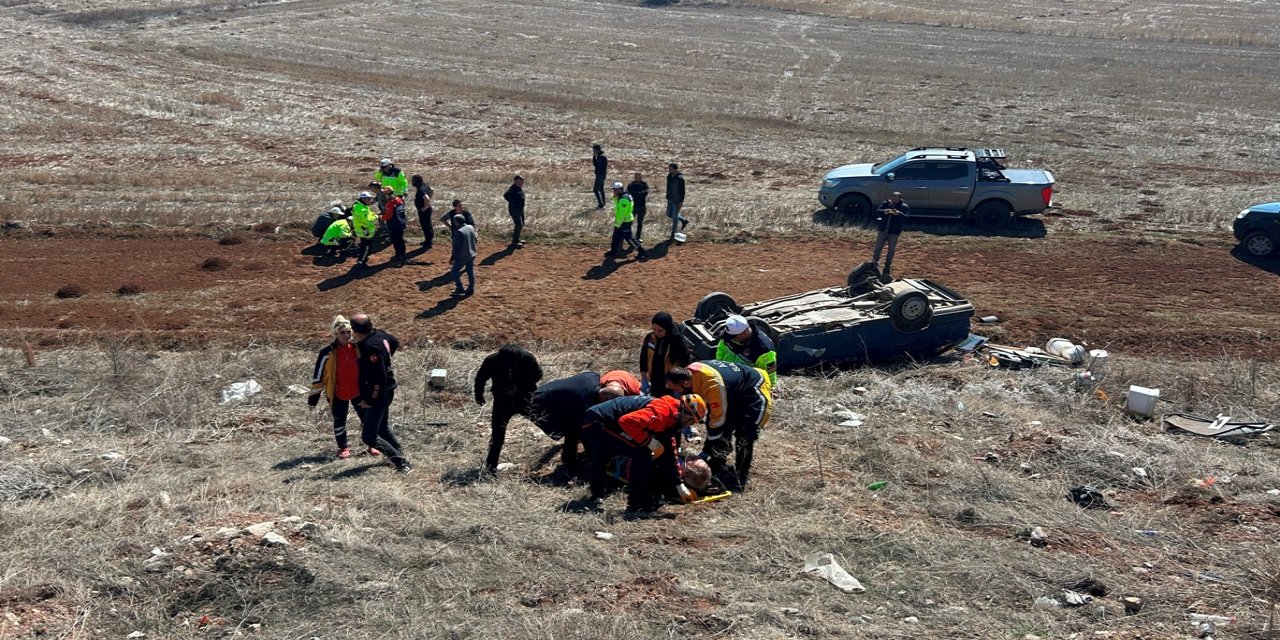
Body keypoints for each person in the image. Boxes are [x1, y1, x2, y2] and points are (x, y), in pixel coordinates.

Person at [581, 393, 707, 513]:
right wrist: (649, 441)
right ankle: (637, 503)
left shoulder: (672, 416)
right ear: (686, 413)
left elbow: (669, 453)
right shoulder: (662, 413)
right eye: (691, 421)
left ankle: (596, 494)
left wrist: (678, 484)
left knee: (603, 455)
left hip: (600, 419)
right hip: (599, 423)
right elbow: (627, 421)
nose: (689, 425)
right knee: (641, 453)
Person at [665, 361, 772, 488]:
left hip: (753, 389)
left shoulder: (713, 385)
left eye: (676, 389)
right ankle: (718, 462)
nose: (676, 392)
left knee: (745, 434)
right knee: (721, 425)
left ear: (686, 383)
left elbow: (718, 420)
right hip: (733, 390)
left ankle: (740, 477)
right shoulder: (689, 374)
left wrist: (706, 450)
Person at [349, 314, 412, 473]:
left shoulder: (369, 347)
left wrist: (370, 399)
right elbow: (395, 343)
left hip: (379, 393)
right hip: (387, 390)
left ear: (356, 331)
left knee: (369, 436)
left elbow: (379, 378)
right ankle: (398, 452)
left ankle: (400, 462)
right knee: (382, 427)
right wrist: (386, 358)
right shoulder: (380, 334)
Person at [474, 345, 543, 473]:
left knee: (542, 420)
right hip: (502, 401)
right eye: (506, 365)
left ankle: (561, 441)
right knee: (497, 434)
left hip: (525, 398)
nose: (509, 368)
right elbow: (481, 378)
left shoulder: (528, 359)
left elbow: (538, 374)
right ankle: (491, 466)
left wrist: (519, 387)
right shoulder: (492, 361)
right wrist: (478, 395)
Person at [307, 315, 361, 458]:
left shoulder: (358, 348)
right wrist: (313, 398)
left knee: (367, 418)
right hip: (337, 392)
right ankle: (343, 447)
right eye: (342, 332)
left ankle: (372, 444)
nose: (346, 335)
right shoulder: (327, 352)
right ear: (336, 334)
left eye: (349, 332)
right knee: (339, 419)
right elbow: (319, 376)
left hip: (359, 390)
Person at [639, 312, 694, 397]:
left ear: (667, 329)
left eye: (660, 330)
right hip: (655, 382)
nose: (657, 333)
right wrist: (644, 379)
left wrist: (678, 386)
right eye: (654, 329)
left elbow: (685, 365)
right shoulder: (650, 339)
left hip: (672, 386)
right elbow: (643, 358)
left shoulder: (677, 342)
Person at [715, 314, 778, 385]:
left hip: (746, 383)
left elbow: (770, 376)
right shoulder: (729, 336)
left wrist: (770, 389)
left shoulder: (763, 351)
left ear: (745, 333)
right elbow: (721, 350)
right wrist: (720, 369)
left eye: (733, 336)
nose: (730, 339)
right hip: (728, 375)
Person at [872, 191, 909, 276]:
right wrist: (885, 211)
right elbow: (877, 211)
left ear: (900, 199)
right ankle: (874, 263)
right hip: (883, 230)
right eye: (893, 199)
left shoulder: (904, 207)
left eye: (896, 199)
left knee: (891, 250)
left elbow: (906, 218)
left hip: (894, 232)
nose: (894, 200)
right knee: (878, 248)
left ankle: (887, 266)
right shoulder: (886, 203)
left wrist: (899, 214)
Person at [606, 182, 645, 259]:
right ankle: (613, 251)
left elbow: (622, 214)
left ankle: (641, 251)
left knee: (629, 238)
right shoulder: (624, 196)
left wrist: (618, 224)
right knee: (615, 237)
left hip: (624, 222)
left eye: (615, 190)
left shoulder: (623, 200)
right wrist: (615, 197)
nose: (614, 192)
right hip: (622, 221)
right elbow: (618, 206)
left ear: (620, 190)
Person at [449, 213, 477, 297]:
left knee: (454, 271)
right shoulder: (470, 227)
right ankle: (471, 288)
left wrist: (452, 258)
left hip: (463, 256)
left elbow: (457, 247)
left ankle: (460, 288)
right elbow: (475, 239)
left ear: (456, 222)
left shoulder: (459, 232)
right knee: (470, 271)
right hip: (472, 253)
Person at [351, 191, 380, 267]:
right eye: (369, 199)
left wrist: (373, 214)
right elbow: (367, 219)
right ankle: (362, 262)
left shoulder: (360, 206)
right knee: (367, 247)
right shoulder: (361, 208)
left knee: (363, 245)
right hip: (364, 230)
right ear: (364, 199)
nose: (370, 200)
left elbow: (368, 214)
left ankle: (362, 258)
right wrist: (376, 217)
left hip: (362, 229)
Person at [380, 185, 408, 263]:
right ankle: (402, 253)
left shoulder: (390, 203)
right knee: (400, 239)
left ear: (386, 194)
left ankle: (399, 254)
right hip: (401, 222)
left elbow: (388, 216)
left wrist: (381, 217)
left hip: (394, 224)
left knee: (395, 240)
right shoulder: (399, 199)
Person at [666, 163, 688, 240]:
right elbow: (668, 187)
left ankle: (673, 233)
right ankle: (683, 220)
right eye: (669, 169)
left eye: (671, 169)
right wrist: (667, 195)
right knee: (668, 214)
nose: (669, 170)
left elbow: (683, 191)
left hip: (677, 200)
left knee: (675, 218)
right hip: (670, 199)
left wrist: (681, 201)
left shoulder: (680, 179)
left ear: (675, 169)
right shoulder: (669, 176)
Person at [503, 175, 526, 248]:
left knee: (521, 224)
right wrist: (512, 202)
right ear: (516, 181)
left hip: (520, 209)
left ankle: (517, 239)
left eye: (522, 181)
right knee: (519, 224)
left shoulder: (518, 188)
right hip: (514, 209)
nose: (522, 183)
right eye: (520, 181)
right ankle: (515, 242)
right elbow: (506, 195)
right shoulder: (513, 188)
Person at [411, 174, 434, 249]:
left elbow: (426, 198)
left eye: (413, 180)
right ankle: (427, 240)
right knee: (426, 225)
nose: (412, 182)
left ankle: (428, 242)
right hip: (424, 210)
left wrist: (425, 206)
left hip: (425, 211)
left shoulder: (421, 189)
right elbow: (431, 190)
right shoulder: (424, 186)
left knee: (426, 226)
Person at [626, 172, 650, 243]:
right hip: (633, 206)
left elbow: (645, 193)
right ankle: (629, 236)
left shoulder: (644, 185)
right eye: (636, 176)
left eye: (639, 176)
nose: (637, 178)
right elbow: (629, 193)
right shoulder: (631, 185)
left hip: (642, 206)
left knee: (640, 222)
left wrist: (637, 194)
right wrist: (639, 194)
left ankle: (638, 237)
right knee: (630, 221)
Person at [591, 144, 608, 209]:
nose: (593, 152)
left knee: (595, 190)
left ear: (597, 150)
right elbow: (595, 165)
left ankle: (600, 204)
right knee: (600, 189)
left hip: (600, 175)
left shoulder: (602, 157)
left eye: (594, 150)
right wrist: (594, 157)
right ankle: (603, 203)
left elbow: (598, 166)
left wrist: (595, 158)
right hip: (600, 175)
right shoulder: (599, 156)